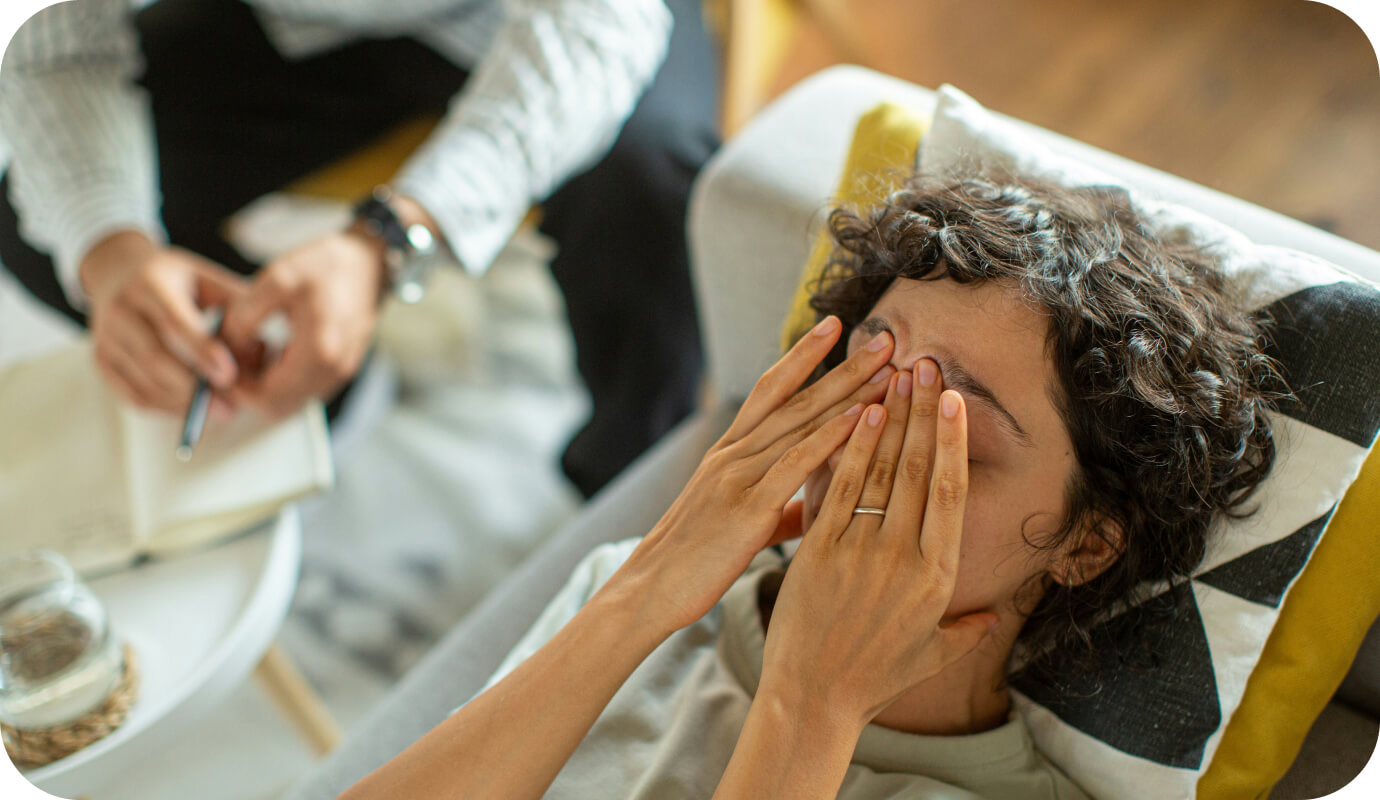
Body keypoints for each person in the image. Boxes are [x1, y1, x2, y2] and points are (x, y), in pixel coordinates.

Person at [329, 166, 1283, 799]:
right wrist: (641, 593)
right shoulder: (640, 604)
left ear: (1086, 540)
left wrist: (811, 706)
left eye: (947, 436)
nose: (863, 447)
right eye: (868, 374)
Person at [0, 0, 717, 496]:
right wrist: (113, 251)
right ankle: (306, 370)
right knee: (39, 212)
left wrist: (390, 238)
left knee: (651, 183)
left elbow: (596, 21)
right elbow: (51, 51)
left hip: (566, 16)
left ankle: (633, 480)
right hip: (299, 26)